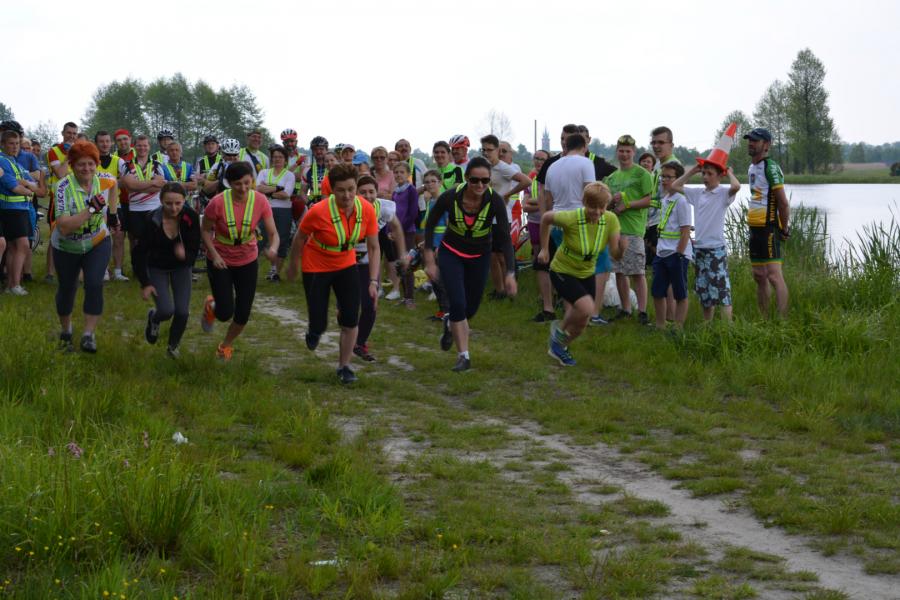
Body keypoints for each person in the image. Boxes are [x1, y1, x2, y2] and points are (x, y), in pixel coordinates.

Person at [287, 163, 380, 384]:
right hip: (316, 265)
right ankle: (314, 330)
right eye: (341, 190)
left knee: (351, 318)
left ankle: (344, 367)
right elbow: (299, 238)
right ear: (332, 189)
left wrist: (373, 281)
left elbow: (374, 247)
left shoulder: (366, 210)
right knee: (319, 321)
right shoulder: (318, 211)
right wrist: (293, 265)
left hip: (346, 263)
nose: (347, 195)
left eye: (351, 189)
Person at [423, 157, 517, 372]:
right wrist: (429, 258)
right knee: (457, 303)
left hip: (479, 256)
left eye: (485, 181)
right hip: (451, 253)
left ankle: (450, 324)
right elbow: (430, 225)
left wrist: (510, 273)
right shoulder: (450, 197)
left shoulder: (495, 201)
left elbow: (505, 240)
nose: (480, 185)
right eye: (475, 180)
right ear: (466, 178)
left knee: (470, 308)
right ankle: (463, 356)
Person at [538, 182, 625, 366]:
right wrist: (544, 249)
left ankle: (559, 347)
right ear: (584, 202)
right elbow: (545, 218)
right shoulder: (571, 217)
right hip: (562, 270)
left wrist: (622, 249)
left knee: (583, 322)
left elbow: (615, 254)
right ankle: (558, 334)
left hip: (586, 273)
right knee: (585, 308)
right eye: (593, 206)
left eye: (601, 207)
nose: (597, 212)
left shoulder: (611, 220)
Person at [199, 161, 278, 360]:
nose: (243, 188)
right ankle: (212, 306)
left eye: (246, 183)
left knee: (243, 313)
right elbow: (205, 231)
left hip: (248, 259)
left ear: (252, 180)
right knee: (225, 313)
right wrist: (215, 255)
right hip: (220, 259)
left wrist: (273, 249)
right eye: (237, 184)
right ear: (229, 183)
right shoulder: (217, 202)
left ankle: (225, 346)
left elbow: (273, 233)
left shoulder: (260, 200)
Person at [50, 140, 118, 352]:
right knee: (67, 288)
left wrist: (113, 214)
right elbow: (63, 227)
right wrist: (90, 210)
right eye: (81, 164)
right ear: (72, 165)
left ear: (96, 164)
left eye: (91, 163)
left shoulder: (103, 179)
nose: (86, 168)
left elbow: (114, 183)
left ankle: (88, 335)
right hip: (66, 245)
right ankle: (66, 331)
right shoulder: (62, 187)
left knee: (94, 284)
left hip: (97, 240)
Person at [132, 182, 201, 358]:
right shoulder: (152, 220)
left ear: (184, 200)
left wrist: (185, 256)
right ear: (161, 201)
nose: (174, 208)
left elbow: (195, 248)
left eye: (178, 203)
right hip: (157, 267)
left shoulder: (191, 217)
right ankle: (154, 318)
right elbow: (139, 252)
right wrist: (145, 283)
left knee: (182, 311)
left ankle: (173, 347)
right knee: (166, 310)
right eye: (168, 203)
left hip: (181, 267)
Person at [671, 163, 740, 322]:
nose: (705, 177)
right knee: (704, 290)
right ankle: (707, 325)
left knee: (722, 290)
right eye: (703, 173)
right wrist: (692, 171)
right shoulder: (698, 193)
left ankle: (727, 327)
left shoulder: (723, 193)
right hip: (700, 248)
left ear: (720, 176)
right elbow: (675, 186)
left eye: (710, 174)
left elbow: (736, 186)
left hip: (716, 249)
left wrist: (729, 172)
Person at [353, 174, 408, 361]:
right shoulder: (348, 206)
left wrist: (402, 254)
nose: (368, 196)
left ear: (377, 192)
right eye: (363, 192)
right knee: (346, 308)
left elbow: (397, 227)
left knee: (371, 303)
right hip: (345, 260)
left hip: (369, 259)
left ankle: (360, 343)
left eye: (371, 192)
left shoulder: (384, 207)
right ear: (355, 193)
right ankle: (348, 336)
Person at [604, 135, 653, 324]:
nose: (624, 155)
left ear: (633, 152)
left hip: (633, 230)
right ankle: (625, 308)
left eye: (628, 151)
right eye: (621, 151)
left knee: (637, 272)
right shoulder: (612, 177)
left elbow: (650, 200)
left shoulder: (642, 174)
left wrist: (628, 204)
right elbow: (606, 204)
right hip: (615, 230)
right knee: (618, 271)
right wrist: (611, 202)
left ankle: (642, 312)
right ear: (617, 152)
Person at [745, 127, 790, 318]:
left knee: (773, 275)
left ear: (766, 145)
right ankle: (764, 319)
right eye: (749, 140)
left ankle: (782, 320)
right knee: (759, 275)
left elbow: (783, 202)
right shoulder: (751, 167)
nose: (751, 143)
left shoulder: (770, 167)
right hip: (754, 227)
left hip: (769, 226)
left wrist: (784, 228)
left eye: (755, 140)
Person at [479, 134, 530, 298]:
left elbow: (526, 181)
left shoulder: (503, 167)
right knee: (492, 256)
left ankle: (510, 289)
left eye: (489, 150)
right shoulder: (484, 167)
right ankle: (499, 290)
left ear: (497, 150)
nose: (486, 153)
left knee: (501, 256)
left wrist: (506, 195)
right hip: (486, 216)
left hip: (502, 217)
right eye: (483, 150)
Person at [650, 161, 692, 329]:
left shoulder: (682, 201)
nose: (664, 180)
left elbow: (685, 231)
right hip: (662, 253)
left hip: (676, 254)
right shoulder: (665, 198)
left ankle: (678, 327)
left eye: (669, 177)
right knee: (657, 291)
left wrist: (679, 254)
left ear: (678, 179)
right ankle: (660, 325)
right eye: (663, 176)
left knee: (680, 293)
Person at [646, 126, 681, 320]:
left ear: (671, 144)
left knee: (668, 275)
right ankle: (666, 319)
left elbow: (676, 198)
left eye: (661, 142)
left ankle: (671, 318)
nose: (656, 146)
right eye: (654, 142)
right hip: (654, 223)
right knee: (660, 274)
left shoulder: (673, 166)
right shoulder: (659, 165)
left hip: (667, 226)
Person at [0, 130, 40, 295]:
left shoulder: (15, 162)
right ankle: (14, 284)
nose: (15, 147)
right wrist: (29, 189)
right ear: (2, 144)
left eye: (17, 144)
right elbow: (14, 187)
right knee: (22, 245)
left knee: (14, 247)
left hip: (21, 209)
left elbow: (35, 183)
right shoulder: (2, 161)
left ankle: (11, 285)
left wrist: (28, 185)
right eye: (11, 143)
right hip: (11, 209)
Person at [255, 145, 295, 281]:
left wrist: (268, 190)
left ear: (285, 160)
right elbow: (257, 189)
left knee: (282, 240)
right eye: (275, 157)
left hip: (284, 211)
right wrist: (278, 188)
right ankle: (250, 269)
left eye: (280, 157)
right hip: (265, 209)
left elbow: (286, 194)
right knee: (261, 238)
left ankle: (275, 273)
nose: (277, 159)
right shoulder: (264, 172)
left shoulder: (289, 175)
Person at [94, 130, 129, 281]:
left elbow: (128, 179)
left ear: (111, 143)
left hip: (115, 205)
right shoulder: (91, 160)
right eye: (101, 141)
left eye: (107, 141)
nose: (105, 144)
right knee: (100, 239)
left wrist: (113, 183)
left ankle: (118, 271)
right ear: (96, 143)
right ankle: (104, 270)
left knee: (119, 238)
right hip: (96, 205)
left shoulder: (118, 161)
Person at [121, 135, 165, 253]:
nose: (142, 148)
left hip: (154, 208)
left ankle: (153, 264)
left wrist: (137, 186)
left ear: (149, 147)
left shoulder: (157, 165)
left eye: (145, 145)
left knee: (155, 240)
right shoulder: (127, 165)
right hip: (135, 209)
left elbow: (159, 187)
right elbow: (130, 186)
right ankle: (138, 264)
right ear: (134, 147)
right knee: (137, 241)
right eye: (139, 145)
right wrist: (152, 182)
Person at [522, 149, 553, 321]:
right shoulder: (531, 179)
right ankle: (543, 293)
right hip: (534, 222)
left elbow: (551, 204)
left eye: (542, 159)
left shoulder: (552, 177)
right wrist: (540, 203)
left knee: (550, 258)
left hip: (549, 223)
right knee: (538, 258)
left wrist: (536, 202)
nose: (539, 162)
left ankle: (553, 293)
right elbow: (525, 206)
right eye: (536, 158)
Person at [420, 169, 450, 319]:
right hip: (432, 244)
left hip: (441, 245)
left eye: (433, 181)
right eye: (427, 182)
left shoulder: (444, 201)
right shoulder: (431, 201)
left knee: (441, 279)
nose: (430, 184)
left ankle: (448, 312)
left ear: (440, 183)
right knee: (434, 277)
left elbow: (449, 225)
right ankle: (442, 311)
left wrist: (442, 245)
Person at [391, 161, 419, 307]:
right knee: (399, 264)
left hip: (407, 232)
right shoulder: (395, 191)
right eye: (396, 172)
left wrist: (400, 229)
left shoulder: (411, 190)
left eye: (402, 172)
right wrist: (390, 230)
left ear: (408, 174)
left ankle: (410, 298)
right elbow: (392, 213)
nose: (399, 175)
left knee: (407, 263)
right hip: (396, 232)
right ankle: (404, 296)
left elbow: (413, 213)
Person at [302, 136, 329, 205]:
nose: (318, 151)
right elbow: (303, 192)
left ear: (327, 150)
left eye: (321, 149)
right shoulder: (307, 170)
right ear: (312, 152)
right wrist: (309, 203)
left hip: (330, 204)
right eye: (315, 149)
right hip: (314, 204)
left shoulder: (334, 168)